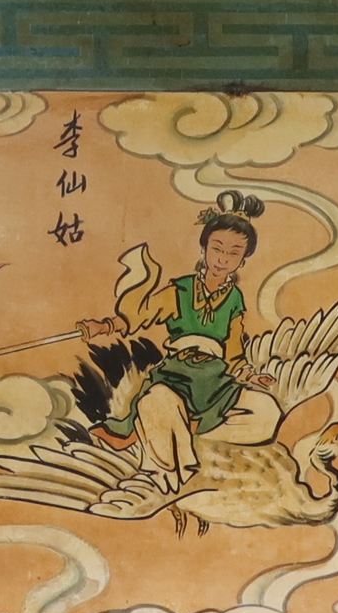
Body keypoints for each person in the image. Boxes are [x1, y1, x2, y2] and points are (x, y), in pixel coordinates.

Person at [81, 194, 275, 485]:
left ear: (243, 259)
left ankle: (188, 432)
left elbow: (234, 352)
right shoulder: (181, 290)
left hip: (215, 381)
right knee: (155, 402)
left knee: (266, 411)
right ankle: (173, 473)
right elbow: (141, 315)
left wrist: (251, 376)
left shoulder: (234, 299)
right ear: (204, 248)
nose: (223, 259)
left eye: (234, 253)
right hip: (178, 375)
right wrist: (104, 326)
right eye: (217, 248)